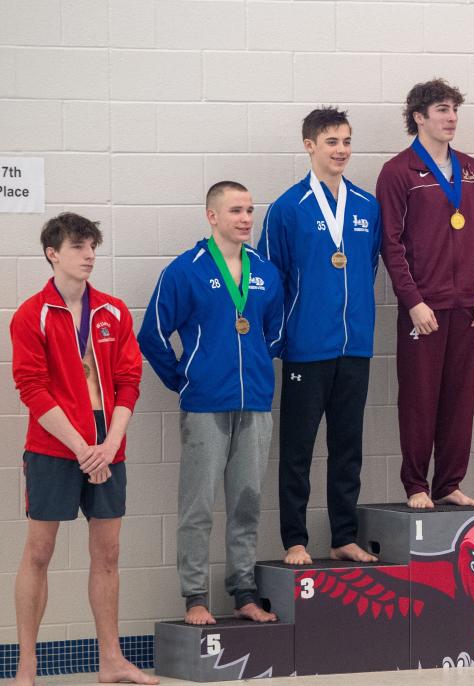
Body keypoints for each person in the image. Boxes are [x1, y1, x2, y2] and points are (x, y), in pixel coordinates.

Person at [10, 213, 156, 685]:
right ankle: (26, 664)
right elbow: (31, 389)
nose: (90, 255)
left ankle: (111, 660)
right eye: (78, 247)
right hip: (55, 450)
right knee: (38, 553)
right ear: (53, 253)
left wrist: (110, 444)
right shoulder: (31, 315)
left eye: (93, 245)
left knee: (108, 555)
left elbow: (129, 381)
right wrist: (81, 448)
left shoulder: (112, 310)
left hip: (108, 448)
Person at [139, 182, 283, 624]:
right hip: (205, 405)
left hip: (255, 402)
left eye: (249, 211)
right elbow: (152, 334)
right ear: (212, 216)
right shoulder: (186, 270)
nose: (245, 218)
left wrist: (258, 367)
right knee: (198, 505)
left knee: (247, 501)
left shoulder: (265, 271)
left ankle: (243, 591)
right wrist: (185, 379)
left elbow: (275, 332)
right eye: (235, 210)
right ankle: (195, 596)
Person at [258, 107, 380, 564]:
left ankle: (342, 535)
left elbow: (367, 270)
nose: (341, 150)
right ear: (309, 145)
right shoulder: (288, 208)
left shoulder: (368, 206)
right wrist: (281, 340)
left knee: (348, 448)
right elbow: (271, 283)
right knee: (298, 451)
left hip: (355, 346)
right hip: (306, 349)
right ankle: (295, 539)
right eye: (331, 142)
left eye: (346, 141)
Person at [377, 78, 474, 509]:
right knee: (420, 399)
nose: (451, 118)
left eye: (454, 110)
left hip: (468, 305)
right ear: (419, 117)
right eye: (442, 110)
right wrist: (413, 302)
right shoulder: (398, 172)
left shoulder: (470, 170)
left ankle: (449, 483)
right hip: (424, 308)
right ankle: (416, 485)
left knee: (460, 400)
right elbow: (392, 244)